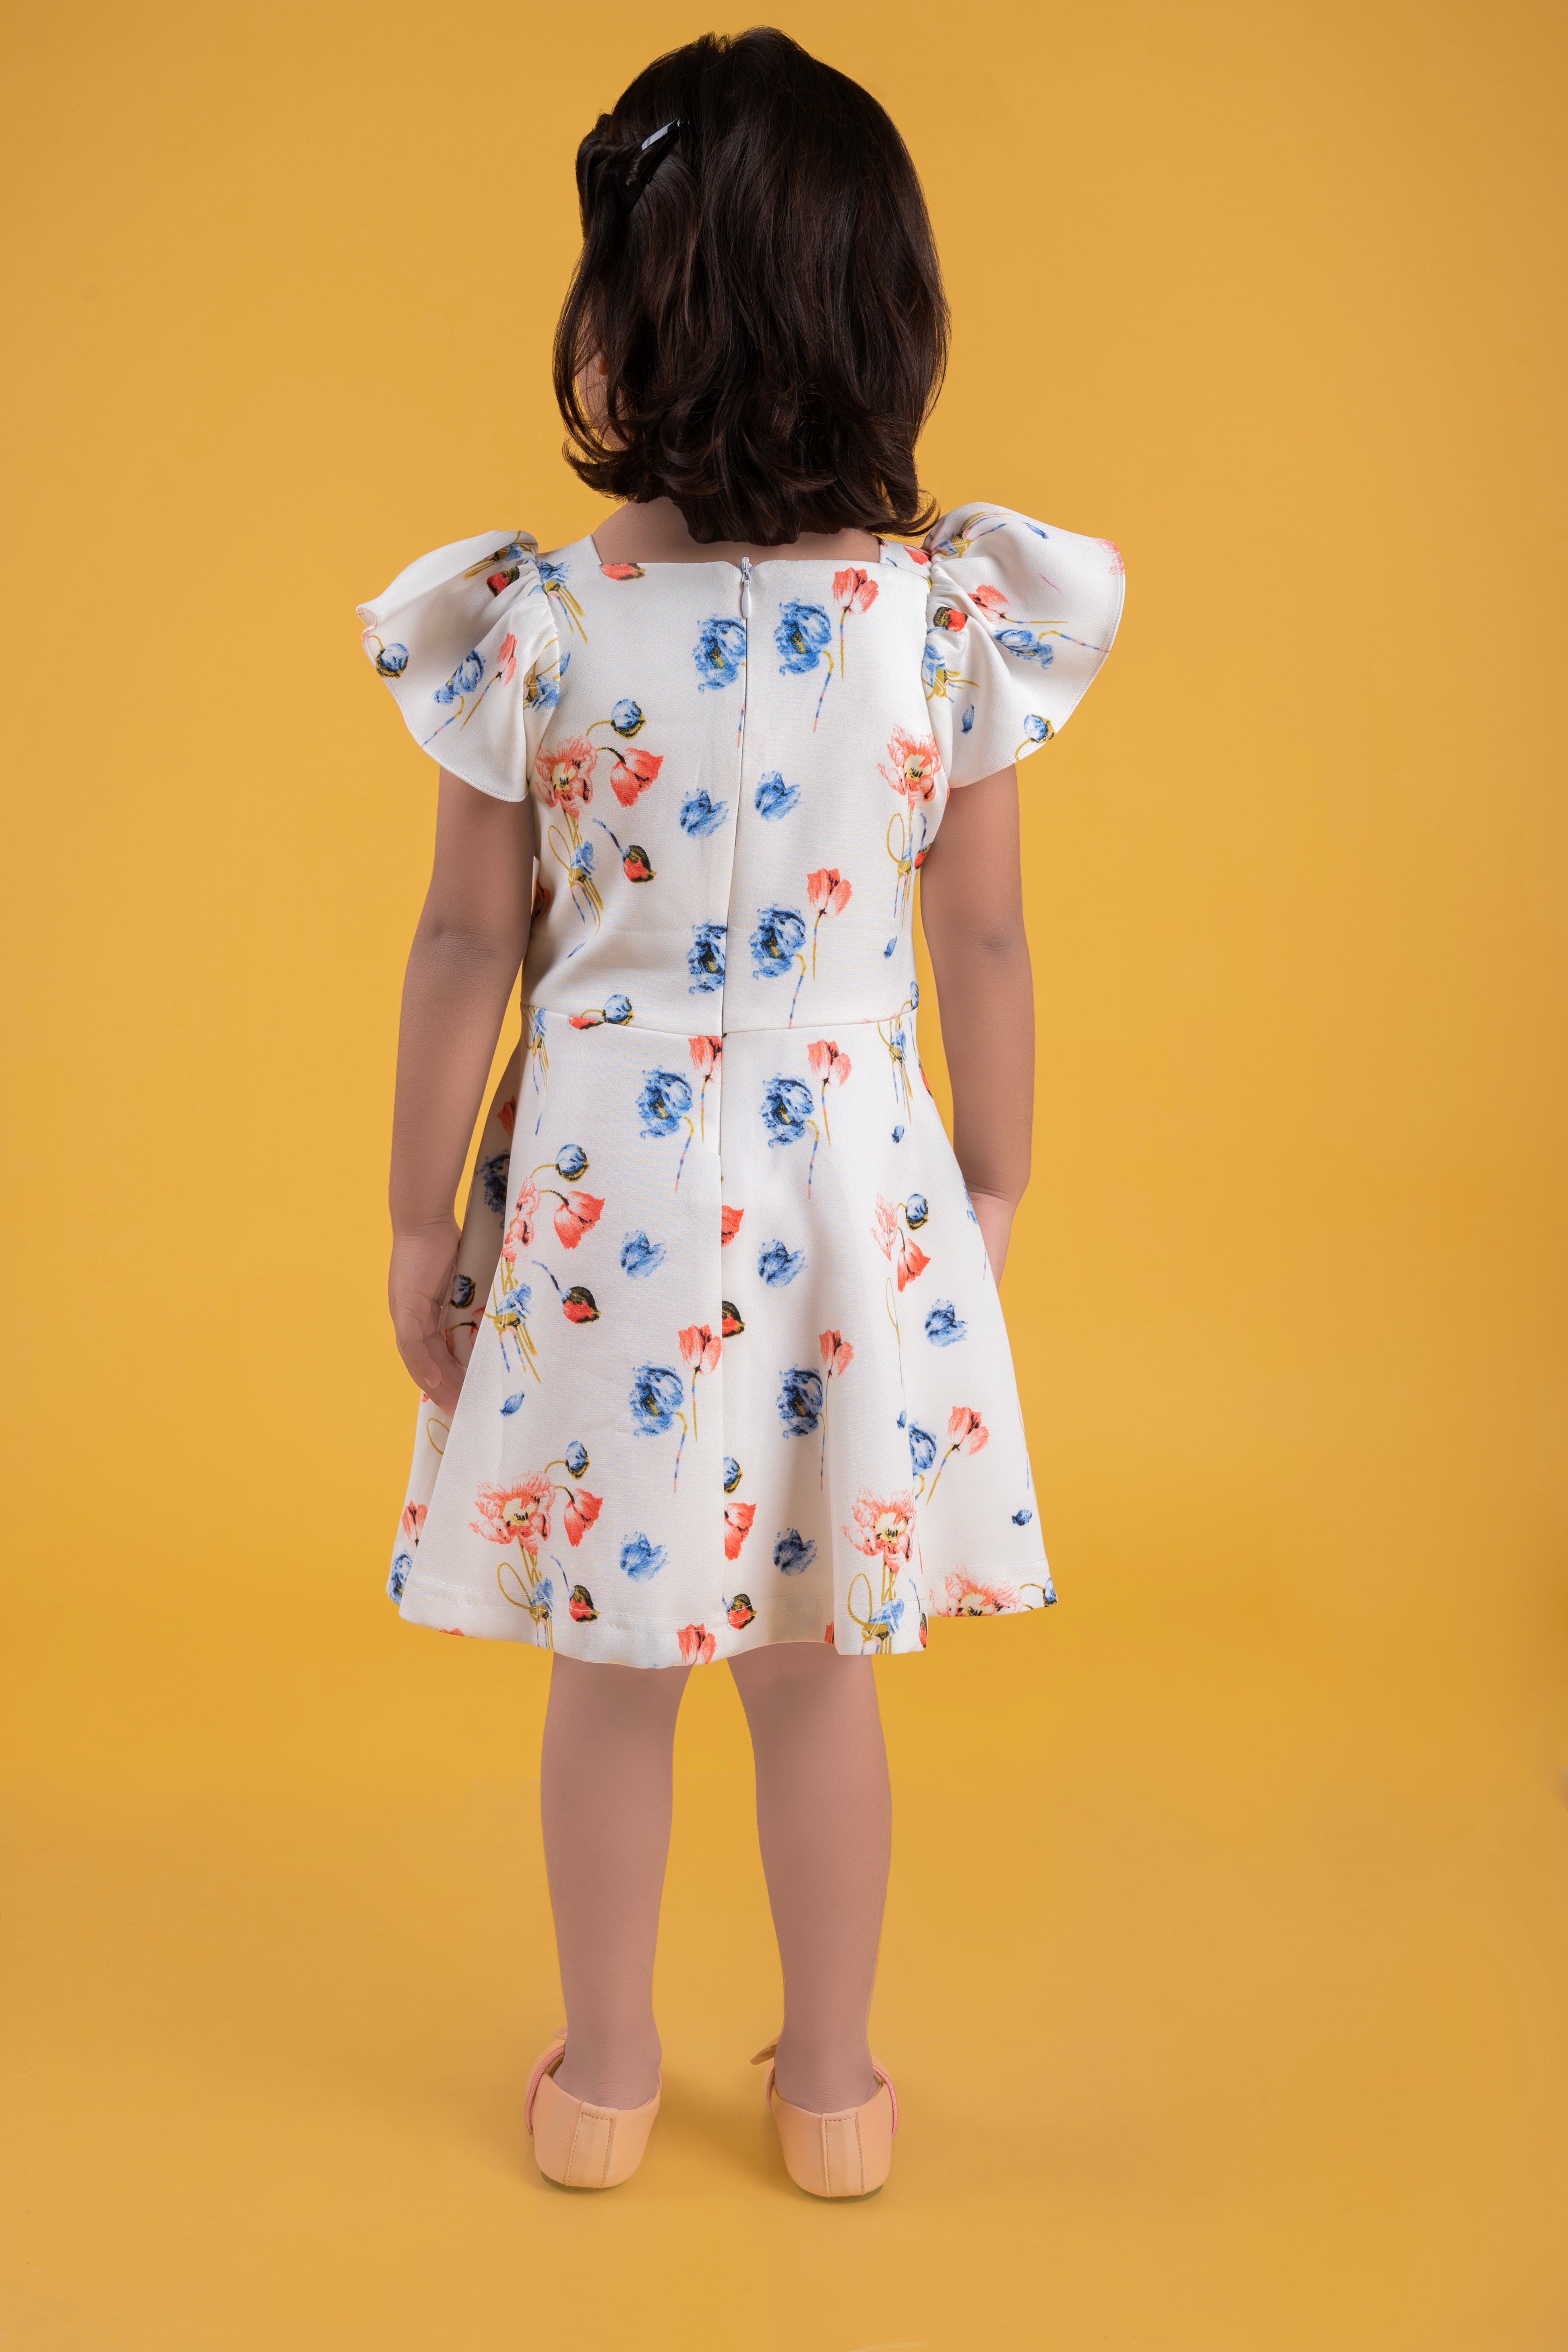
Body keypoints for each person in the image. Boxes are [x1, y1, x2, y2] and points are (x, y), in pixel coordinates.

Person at [357, 26, 1123, 2198]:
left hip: (603, 1193)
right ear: (883, 322)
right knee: (814, 1664)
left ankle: (606, 2084)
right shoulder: (936, 626)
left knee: (613, 1669)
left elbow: (462, 946)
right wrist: (991, 1175)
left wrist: (416, 1221)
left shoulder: (535, 626)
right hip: (846, 1182)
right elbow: (983, 939)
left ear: (626, 318)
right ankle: (834, 2096)